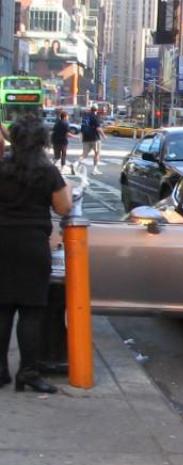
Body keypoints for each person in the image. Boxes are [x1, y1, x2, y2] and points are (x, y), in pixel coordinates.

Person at [0, 116, 72, 393]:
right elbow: (64, 207)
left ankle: (1, 371)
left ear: (13, 139)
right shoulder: (48, 171)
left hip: (2, 242)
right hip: (32, 244)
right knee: (31, 312)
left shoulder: (2, 167)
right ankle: (28, 373)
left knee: (3, 309)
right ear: (43, 141)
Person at [80, 105, 105, 175]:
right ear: (96, 110)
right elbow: (98, 128)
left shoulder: (85, 117)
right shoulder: (95, 117)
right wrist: (104, 135)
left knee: (84, 154)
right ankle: (95, 170)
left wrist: (81, 137)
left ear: (91, 109)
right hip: (95, 138)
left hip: (85, 138)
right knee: (97, 153)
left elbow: (82, 128)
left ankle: (75, 164)